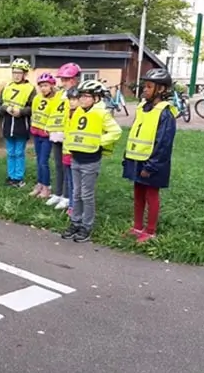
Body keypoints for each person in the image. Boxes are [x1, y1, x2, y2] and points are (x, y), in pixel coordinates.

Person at [61, 79, 122, 243]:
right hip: (76, 158)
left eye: (86, 96)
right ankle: (75, 222)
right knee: (76, 193)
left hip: (90, 160)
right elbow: (71, 132)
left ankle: (86, 226)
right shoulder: (78, 112)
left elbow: (116, 132)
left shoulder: (102, 113)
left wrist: (98, 142)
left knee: (86, 195)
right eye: (81, 95)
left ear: (96, 98)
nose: (82, 99)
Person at [122, 68, 177, 243]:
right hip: (136, 158)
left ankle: (150, 231)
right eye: (144, 86)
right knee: (138, 193)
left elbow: (163, 143)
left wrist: (152, 165)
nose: (144, 90)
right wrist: (127, 157)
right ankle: (137, 227)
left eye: (149, 86)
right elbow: (135, 133)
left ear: (160, 90)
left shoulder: (165, 113)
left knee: (151, 195)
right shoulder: (141, 108)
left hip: (152, 163)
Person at [47, 62, 81, 207]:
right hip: (57, 133)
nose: (64, 82)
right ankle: (58, 193)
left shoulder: (79, 95)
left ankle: (68, 196)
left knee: (69, 167)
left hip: (69, 136)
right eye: (63, 79)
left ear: (76, 79)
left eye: (67, 79)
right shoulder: (60, 95)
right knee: (58, 165)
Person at [0, 58, 35, 188]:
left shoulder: (30, 89)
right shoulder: (7, 87)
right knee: (10, 152)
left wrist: (22, 112)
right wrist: (5, 108)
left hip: (21, 126)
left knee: (19, 152)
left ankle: (18, 177)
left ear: (25, 74)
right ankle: (10, 175)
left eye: (19, 73)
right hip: (8, 124)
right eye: (14, 72)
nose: (16, 75)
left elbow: (33, 107)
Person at [29, 72, 59, 199]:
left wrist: (49, 128)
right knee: (38, 160)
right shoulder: (37, 98)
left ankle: (47, 187)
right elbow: (34, 113)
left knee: (43, 161)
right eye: (41, 86)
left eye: (46, 85)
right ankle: (40, 183)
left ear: (52, 86)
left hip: (47, 135)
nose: (43, 88)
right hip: (37, 132)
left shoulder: (56, 100)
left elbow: (54, 116)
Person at [62, 87, 81, 216]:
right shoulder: (67, 112)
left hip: (76, 152)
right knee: (69, 180)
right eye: (70, 99)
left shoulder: (81, 114)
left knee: (76, 183)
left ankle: (76, 207)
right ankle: (71, 204)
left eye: (75, 99)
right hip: (66, 151)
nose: (72, 102)